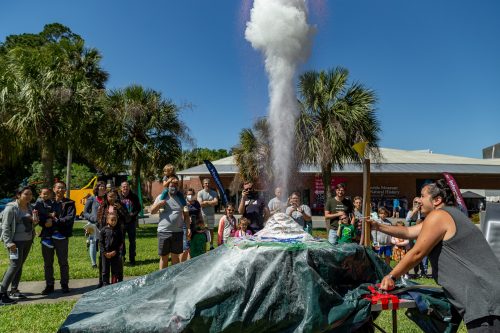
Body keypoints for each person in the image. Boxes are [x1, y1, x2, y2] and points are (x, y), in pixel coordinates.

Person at [371, 179, 500, 331]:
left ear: (437, 200)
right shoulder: (448, 215)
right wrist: (377, 226)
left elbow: (417, 252)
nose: (418, 200)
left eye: (422, 196)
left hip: (484, 301)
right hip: (487, 299)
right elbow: (408, 232)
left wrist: (391, 276)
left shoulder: (439, 215)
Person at [0, 186, 37, 305]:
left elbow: (30, 223)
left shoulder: (30, 207)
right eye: (26, 194)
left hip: (27, 241)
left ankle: (14, 290)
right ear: (18, 195)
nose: (29, 196)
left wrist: (34, 223)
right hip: (15, 243)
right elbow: (5, 226)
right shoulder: (11, 208)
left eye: (30, 194)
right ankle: (2, 293)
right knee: (14, 265)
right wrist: (9, 242)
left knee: (19, 265)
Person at [41, 181, 75, 295]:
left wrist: (55, 221)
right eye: (58, 188)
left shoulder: (70, 203)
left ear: (65, 190)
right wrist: (45, 222)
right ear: (54, 189)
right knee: (47, 263)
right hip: (47, 236)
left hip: (62, 236)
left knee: (63, 262)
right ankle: (49, 285)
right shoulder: (46, 203)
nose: (60, 190)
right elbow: (41, 216)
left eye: (63, 188)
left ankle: (64, 284)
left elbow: (69, 219)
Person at [150, 177, 190, 269]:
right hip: (164, 231)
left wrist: (188, 228)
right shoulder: (161, 197)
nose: (174, 187)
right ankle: (162, 279)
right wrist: (159, 204)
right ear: (168, 186)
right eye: (172, 185)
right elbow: (152, 211)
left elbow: (187, 216)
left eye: (176, 185)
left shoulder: (181, 199)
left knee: (175, 257)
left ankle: (173, 279)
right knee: (164, 257)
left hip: (178, 232)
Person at [95, 190, 129, 287]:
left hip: (117, 235)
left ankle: (118, 280)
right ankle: (102, 282)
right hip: (105, 235)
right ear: (107, 197)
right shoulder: (102, 206)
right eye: (110, 196)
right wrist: (102, 231)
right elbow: (98, 220)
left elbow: (127, 218)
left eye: (114, 196)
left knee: (118, 260)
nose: (112, 198)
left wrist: (121, 209)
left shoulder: (120, 205)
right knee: (103, 262)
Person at [83, 181, 107, 269]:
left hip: (105, 225)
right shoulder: (92, 199)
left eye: (104, 186)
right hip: (93, 225)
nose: (102, 188)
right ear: (97, 188)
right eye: (100, 186)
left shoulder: (107, 199)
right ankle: (93, 263)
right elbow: (85, 213)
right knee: (93, 243)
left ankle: (103, 261)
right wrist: (92, 218)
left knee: (104, 243)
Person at [118, 181, 141, 265]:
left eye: (127, 186)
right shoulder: (118, 197)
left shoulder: (134, 197)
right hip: (121, 223)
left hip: (131, 222)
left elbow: (139, 208)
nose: (125, 188)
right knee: (121, 241)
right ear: (121, 188)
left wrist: (133, 215)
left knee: (132, 241)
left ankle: (132, 259)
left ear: (129, 187)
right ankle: (122, 257)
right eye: (123, 186)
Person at [405, 197, 429, 278]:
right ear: (412, 203)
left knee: (423, 253)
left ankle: (424, 272)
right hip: (412, 236)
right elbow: (407, 219)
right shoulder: (411, 211)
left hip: (422, 235)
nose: (417, 204)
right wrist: (414, 211)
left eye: (419, 203)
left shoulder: (424, 212)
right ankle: (416, 271)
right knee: (414, 253)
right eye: (415, 202)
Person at [99, 212, 123, 285]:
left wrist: (115, 251)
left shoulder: (118, 231)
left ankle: (114, 284)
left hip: (115, 254)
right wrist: (104, 253)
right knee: (105, 270)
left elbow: (121, 243)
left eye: (115, 220)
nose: (113, 222)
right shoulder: (103, 230)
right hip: (105, 254)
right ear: (107, 221)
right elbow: (101, 242)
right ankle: (105, 284)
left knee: (115, 270)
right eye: (112, 220)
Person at [197, 178, 218, 250]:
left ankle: (211, 245)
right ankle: (203, 244)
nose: (207, 184)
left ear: (210, 184)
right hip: (203, 214)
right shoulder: (200, 193)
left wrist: (206, 202)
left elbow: (216, 202)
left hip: (211, 214)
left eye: (208, 183)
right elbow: (201, 204)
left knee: (211, 229)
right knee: (203, 230)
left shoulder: (214, 193)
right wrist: (210, 202)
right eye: (205, 183)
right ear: (203, 184)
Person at [184, 188, 202, 261]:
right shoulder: (184, 203)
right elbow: (182, 215)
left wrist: (202, 223)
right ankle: (189, 261)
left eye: (191, 194)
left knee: (194, 243)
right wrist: (188, 218)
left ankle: (194, 260)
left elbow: (199, 214)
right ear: (186, 195)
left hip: (195, 225)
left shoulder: (197, 203)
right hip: (187, 226)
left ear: (194, 195)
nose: (190, 196)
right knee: (187, 245)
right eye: (188, 194)